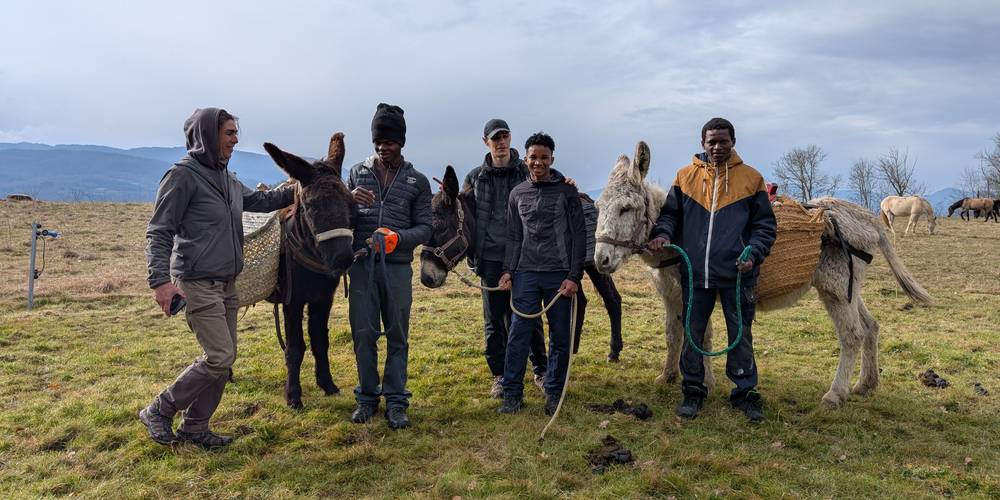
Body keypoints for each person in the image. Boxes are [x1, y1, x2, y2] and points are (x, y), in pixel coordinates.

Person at [140, 108, 296, 448]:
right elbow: (159, 231)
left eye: (235, 133)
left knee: (223, 362)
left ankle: (195, 429)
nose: (235, 140)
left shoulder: (227, 178)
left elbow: (260, 200)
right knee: (219, 356)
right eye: (229, 133)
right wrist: (160, 282)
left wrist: (297, 186)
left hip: (227, 284)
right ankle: (159, 409)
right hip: (196, 282)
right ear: (208, 136)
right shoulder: (182, 176)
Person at [647, 117, 776, 423]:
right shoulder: (684, 177)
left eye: (723, 141)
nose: (717, 147)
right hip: (696, 273)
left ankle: (745, 393)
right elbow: (671, 216)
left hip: (738, 274)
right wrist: (662, 233)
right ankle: (693, 391)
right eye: (712, 142)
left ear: (733, 142)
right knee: (692, 333)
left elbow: (765, 226)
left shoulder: (752, 179)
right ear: (702, 143)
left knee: (741, 335)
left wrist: (754, 253)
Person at [346, 103, 432, 429]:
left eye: (390, 142)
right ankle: (367, 398)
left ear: (401, 142)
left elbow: (425, 228)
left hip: (396, 268)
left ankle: (396, 401)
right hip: (361, 266)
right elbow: (342, 218)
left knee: (397, 335)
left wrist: (398, 238)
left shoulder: (417, 181)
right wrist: (348, 198)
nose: (383, 147)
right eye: (378, 141)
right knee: (363, 334)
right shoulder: (356, 173)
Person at [497, 132, 586, 416]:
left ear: (552, 159)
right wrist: (507, 271)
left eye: (544, 157)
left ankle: (554, 391)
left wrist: (574, 276)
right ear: (525, 159)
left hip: (559, 276)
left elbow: (579, 236)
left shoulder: (567, 193)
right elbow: (514, 236)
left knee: (560, 336)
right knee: (518, 334)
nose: (538, 162)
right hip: (525, 275)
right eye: (533, 157)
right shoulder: (517, 194)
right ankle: (512, 394)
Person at [463, 119, 548, 398]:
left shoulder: (527, 171)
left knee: (528, 315)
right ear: (485, 142)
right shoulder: (475, 178)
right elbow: (464, 214)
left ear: (510, 138)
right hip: (489, 258)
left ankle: (541, 370)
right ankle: (499, 375)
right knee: (494, 321)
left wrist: (567, 181)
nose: (500, 142)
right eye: (495, 138)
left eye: (504, 136)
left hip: (525, 257)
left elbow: (549, 183)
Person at [573, 193, 624, 362]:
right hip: (575, 246)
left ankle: (573, 347)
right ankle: (572, 346)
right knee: (601, 297)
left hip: (584, 246)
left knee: (607, 297)